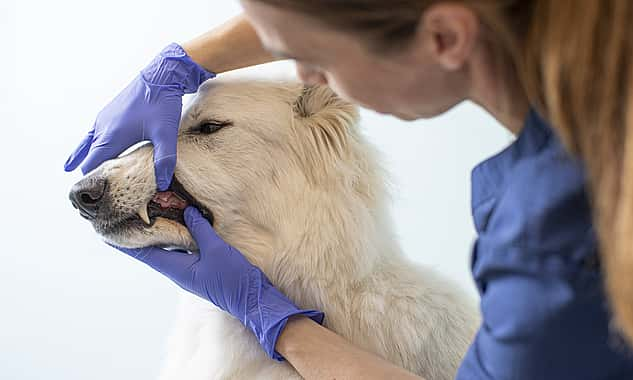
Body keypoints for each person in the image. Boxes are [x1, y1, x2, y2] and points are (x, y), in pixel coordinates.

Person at [64, 1, 633, 379]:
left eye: (318, 59)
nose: (310, 78)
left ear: (444, 35)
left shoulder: (553, 237)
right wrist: (185, 61)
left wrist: (280, 324)